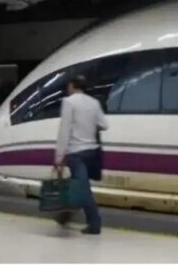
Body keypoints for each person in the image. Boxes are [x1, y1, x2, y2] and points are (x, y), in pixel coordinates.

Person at [54, 75, 108, 235]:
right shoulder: (94, 102)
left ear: (72, 86)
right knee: (80, 186)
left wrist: (58, 157)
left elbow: (64, 131)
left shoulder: (69, 102)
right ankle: (65, 215)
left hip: (76, 153)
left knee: (83, 189)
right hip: (92, 152)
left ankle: (94, 223)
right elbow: (104, 125)